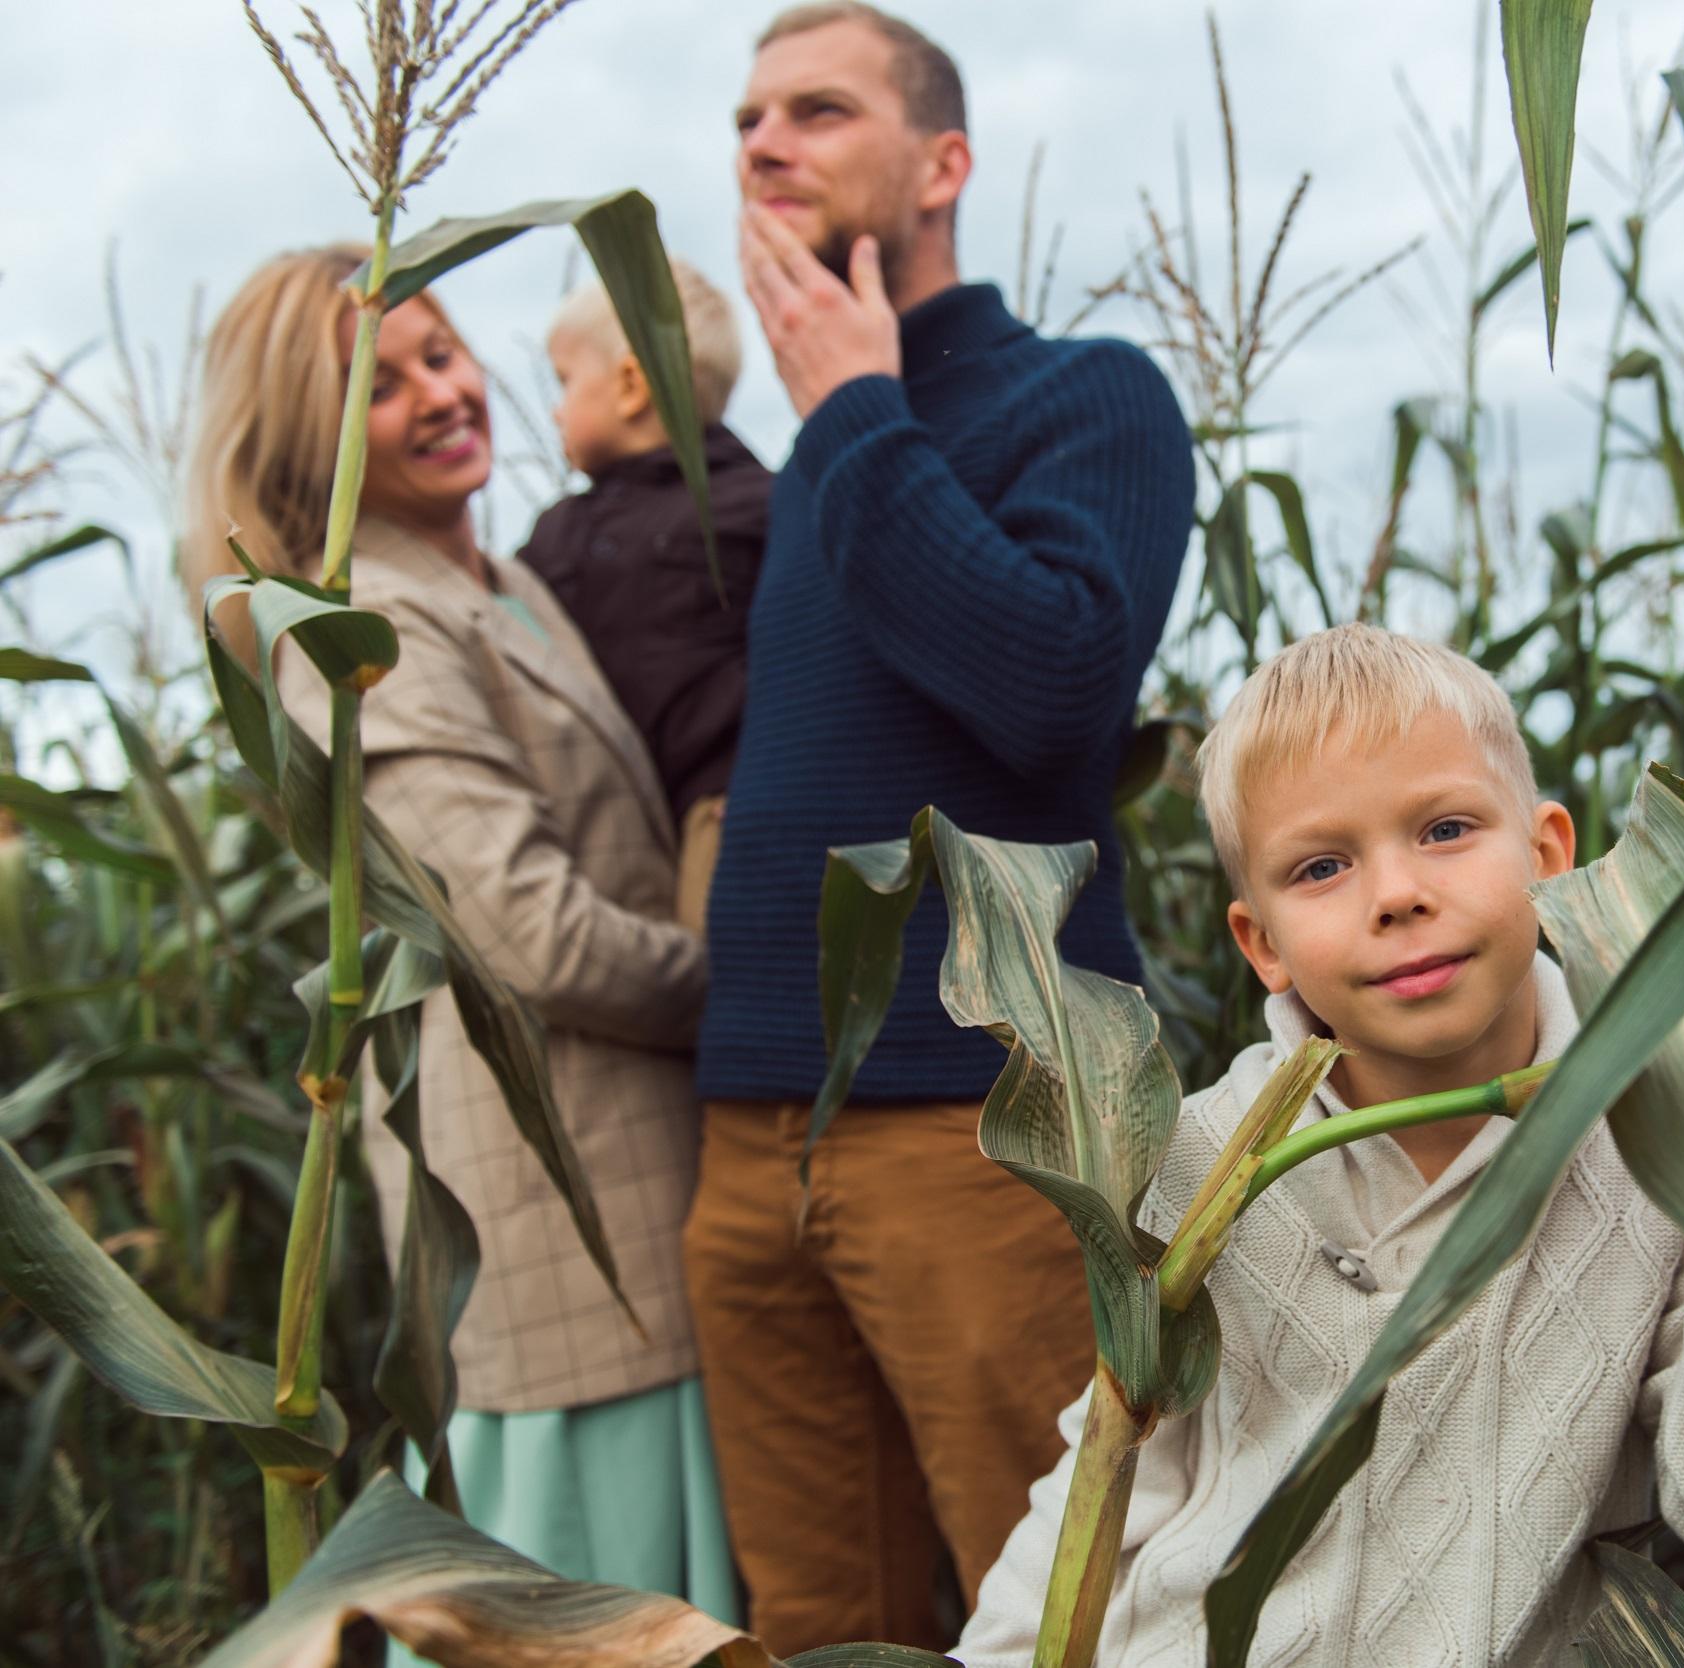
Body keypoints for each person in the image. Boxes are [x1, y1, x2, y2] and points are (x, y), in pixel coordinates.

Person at [956, 624, 1684, 1667]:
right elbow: (1110, 1474)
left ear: (1546, 858)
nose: (1395, 893)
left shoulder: (1661, 1145)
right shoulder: (1196, 1155)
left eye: (1443, 829)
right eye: (1321, 866)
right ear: (1260, 944)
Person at [681, 1, 1197, 1654]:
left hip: (979, 1132)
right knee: (816, 1621)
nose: (764, 143)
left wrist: (849, 414)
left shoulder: (1088, 398)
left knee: (1059, 1614)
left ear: (942, 163)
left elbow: (1054, 692)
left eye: (819, 111)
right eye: (750, 117)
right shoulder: (812, 465)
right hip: (753, 1135)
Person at [183, 247, 734, 1623]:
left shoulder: (494, 575)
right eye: (388, 382)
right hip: (563, 1240)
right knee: (600, 1622)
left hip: (635, 1209)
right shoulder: (365, 626)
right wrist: (764, 991)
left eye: (445, 353)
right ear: (311, 434)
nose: (442, 391)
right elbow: (529, 934)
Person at [516, 258, 775, 933]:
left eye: (566, 382)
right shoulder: (559, 533)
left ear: (630, 385)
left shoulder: (757, 508)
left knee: (711, 988)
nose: (556, 407)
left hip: (718, 815)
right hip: (604, 824)